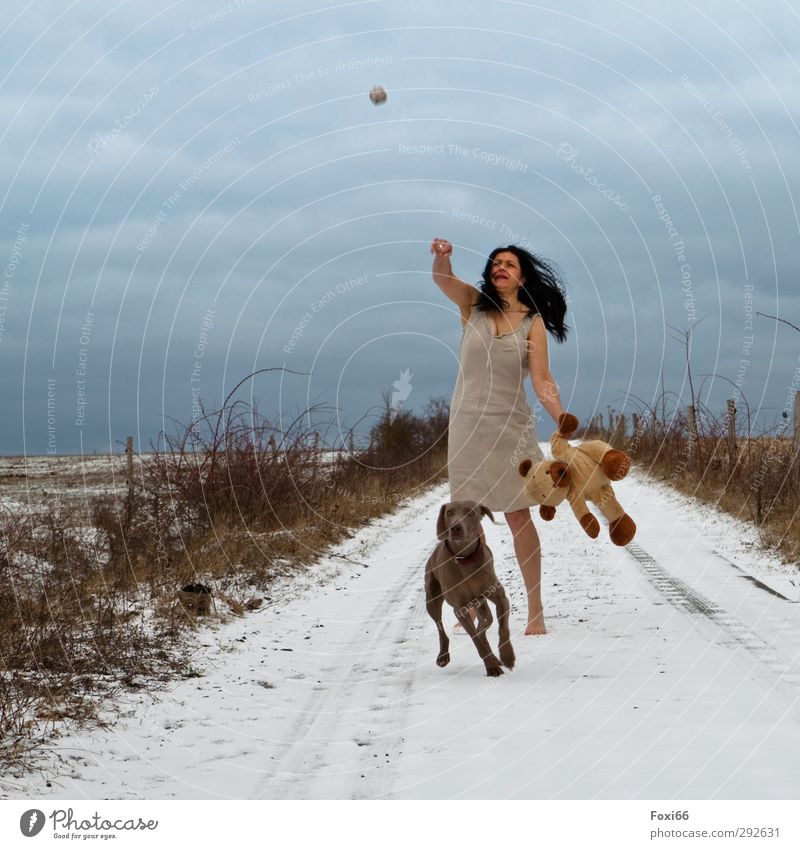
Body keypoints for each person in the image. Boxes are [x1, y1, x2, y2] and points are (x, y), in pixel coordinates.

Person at [430, 237, 569, 635]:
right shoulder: (472, 305)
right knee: (466, 525)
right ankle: (471, 606)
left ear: (522, 275)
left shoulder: (532, 322)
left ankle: (535, 610)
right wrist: (443, 258)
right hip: (467, 427)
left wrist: (561, 417)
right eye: (495, 263)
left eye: (509, 264)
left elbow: (542, 379)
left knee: (518, 515)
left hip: (511, 427)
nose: (500, 268)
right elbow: (443, 280)